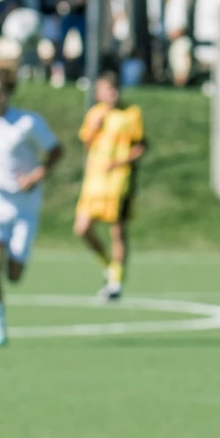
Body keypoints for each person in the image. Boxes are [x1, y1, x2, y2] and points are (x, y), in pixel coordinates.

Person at [0, 61, 62, 348]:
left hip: (23, 208)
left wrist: (36, 175)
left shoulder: (27, 123)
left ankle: (13, 259)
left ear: (8, 93)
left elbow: (55, 151)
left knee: (14, 274)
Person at [73, 70, 146, 300]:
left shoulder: (131, 114)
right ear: (98, 93)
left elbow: (141, 146)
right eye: (106, 89)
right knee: (82, 229)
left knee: (117, 231)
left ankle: (116, 282)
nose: (112, 94)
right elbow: (86, 143)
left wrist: (120, 162)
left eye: (114, 89)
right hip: (94, 182)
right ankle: (108, 265)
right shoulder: (94, 114)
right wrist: (95, 127)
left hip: (119, 182)